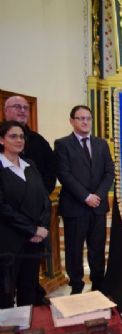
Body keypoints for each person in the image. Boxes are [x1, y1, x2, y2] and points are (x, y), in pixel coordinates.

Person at [54, 106, 114, 294]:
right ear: (72, 121)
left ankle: (98, 286)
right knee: (74, 249)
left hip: (98, 206)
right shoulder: (62, 144)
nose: (85, 121)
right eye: (80, 118)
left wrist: (98, 195)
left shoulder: (101, 144)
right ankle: (76, 286)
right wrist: (86, 196)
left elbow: (109, 172)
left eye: (88, 118)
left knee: (97, 248)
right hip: (75, 206)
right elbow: (64, 174)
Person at [0, 121, 50, 307]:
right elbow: (2, 208)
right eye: (13, 136)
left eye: (21, 136)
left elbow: (44, 199)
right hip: (9, 241)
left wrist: (42, 227)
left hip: (34, 242)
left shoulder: (30, 165)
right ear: (1, 140)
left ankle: (27, 324)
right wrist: (31, 230)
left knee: (28, 288)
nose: (19, 140)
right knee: (6, 291)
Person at [3, 96, 56, 194]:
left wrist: (43, 194)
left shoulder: (39, 140)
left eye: (26, 108)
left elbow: (51, 168)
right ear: (6, 110)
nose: (22, 110)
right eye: (17, 106)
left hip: (38, 198)